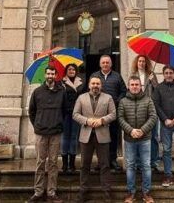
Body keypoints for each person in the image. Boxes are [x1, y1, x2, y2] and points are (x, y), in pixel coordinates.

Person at [73, 75, 116, 202]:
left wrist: (102, 120)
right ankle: (83, 191)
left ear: (101, 85)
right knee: (84, 165)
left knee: (105, 165)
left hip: (102, 135)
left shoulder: (108, 98)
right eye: (93, 83)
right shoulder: (81, 98)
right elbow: (75, 114)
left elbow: (113, 114)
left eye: (98, 84)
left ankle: (107, 192)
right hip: (86, 136)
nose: (95, 86)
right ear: (89, 85)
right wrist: (87, 120)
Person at [27, 66, 66, 203]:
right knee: (40, 162)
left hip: (55, 133)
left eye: (52, 74)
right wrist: (37, 124)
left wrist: (58, 123)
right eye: (48, 74)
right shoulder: (37, 92)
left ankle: (51, 192)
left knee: (53, 163)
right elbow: (31, 111)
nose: (50, 76)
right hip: (41, 133)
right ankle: (38, 191)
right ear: (45, 75)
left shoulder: (61, 92)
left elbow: (65, 110)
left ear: (56, 75)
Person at [118, 75, 158, 203]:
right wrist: (131, 130)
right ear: (128, 86)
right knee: (130, 165)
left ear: (140, 86)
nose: (134, 87)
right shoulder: (123, 101)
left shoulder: (148, 100)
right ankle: (131, 193)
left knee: (146, 165)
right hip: (129, 139)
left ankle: (146, 193)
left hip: (145, 139)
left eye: (137, 84)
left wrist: (142, 130)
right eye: (132, 85)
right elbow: (120, 118)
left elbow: (153, 117)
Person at [90, 54, 127, 170]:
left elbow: (124, 91)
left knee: (113, 136)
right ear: (100, 64)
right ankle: (101, 161)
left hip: (113, 112)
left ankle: (113, 160)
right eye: (103, 62)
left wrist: (117, 101)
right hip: (98, 112)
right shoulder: (94, 76)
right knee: (99, 137)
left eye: (107, 62)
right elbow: (89, 91)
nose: (105, 64)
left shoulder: (117, 76)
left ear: (111, 64)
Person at [131, 54, 160, 171]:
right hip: (138, 110)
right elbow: (130, 90)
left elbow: (158, 91)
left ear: (146, 63)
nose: (141, 63)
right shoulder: (133, 75)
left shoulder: (151, 75)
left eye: (143, 61)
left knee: (154, 137)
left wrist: (153, 81)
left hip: (151, 110)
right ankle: (138, 162)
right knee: (138, 136)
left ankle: (153, 162)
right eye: (140, 61)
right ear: (136, 63)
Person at [61, 63, 84, 174]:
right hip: (65, 113)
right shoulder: (61, 83)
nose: (71, 71)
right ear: (66, 71)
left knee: (74, 137)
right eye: (69, 69)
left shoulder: (81, 82)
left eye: (73, 69)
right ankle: (65, 163)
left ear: (76, 71)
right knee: (65, 137)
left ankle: (72, 163)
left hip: (76, 113)